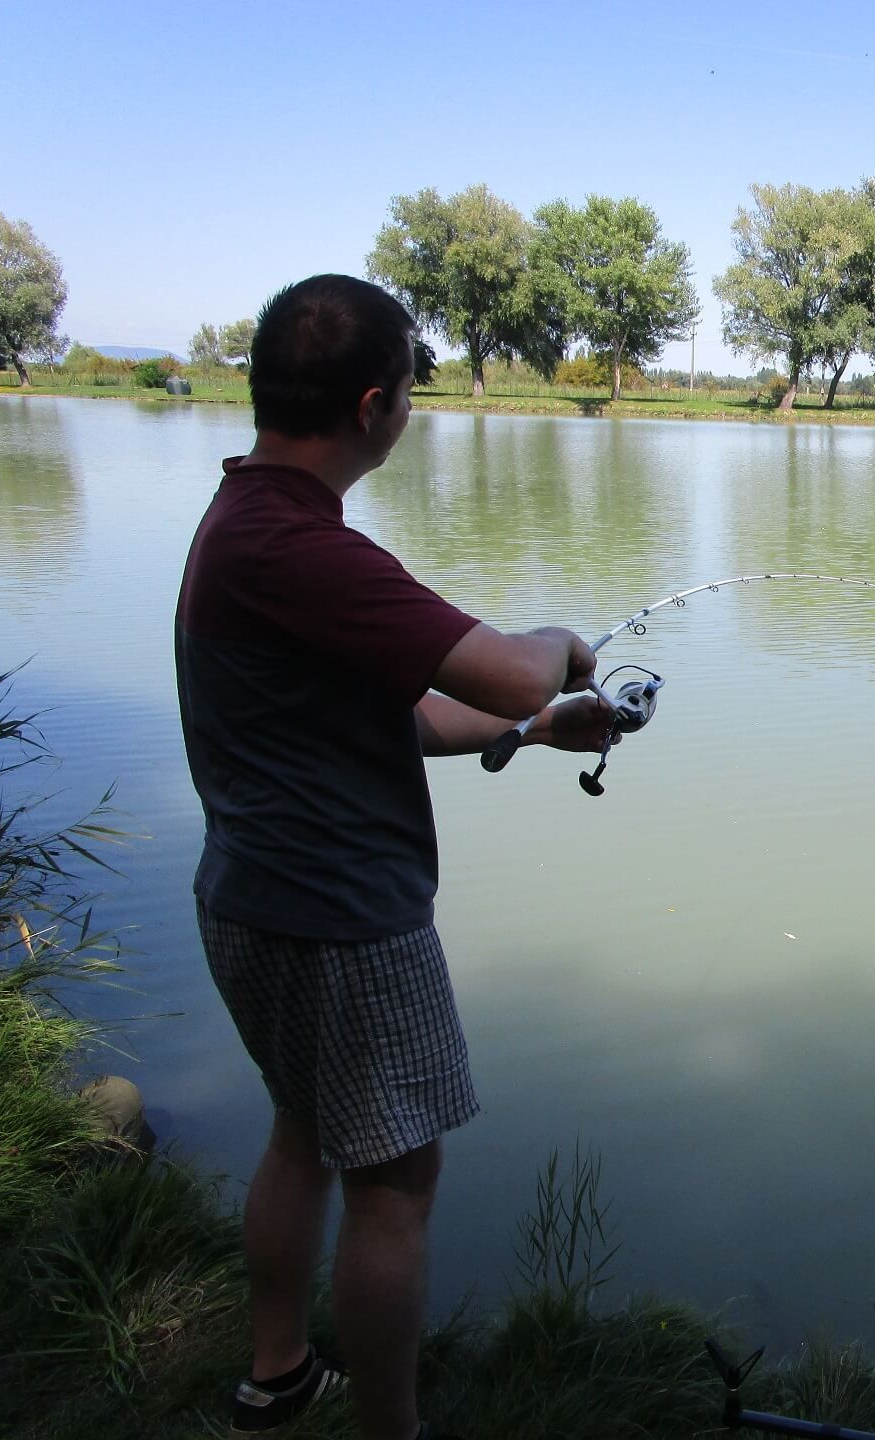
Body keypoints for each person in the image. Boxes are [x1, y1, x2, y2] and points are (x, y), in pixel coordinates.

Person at [175, 273, 611, 1440]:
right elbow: (513, 664)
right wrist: (557, 657)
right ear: (374, 405)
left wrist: (534, 730)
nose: (411, 409)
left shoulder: (247, 521)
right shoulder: (306, 551)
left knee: (304, 1136)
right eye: (411, 389)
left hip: (255, 901)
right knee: (394, 1187)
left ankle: (277, 1377)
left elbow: (407, 718)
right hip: (343, 925)